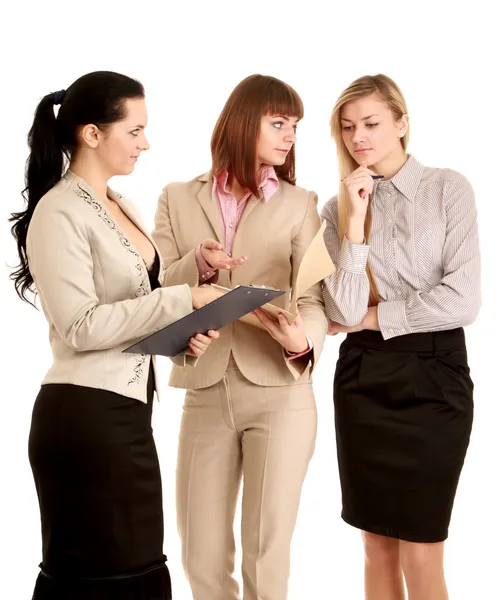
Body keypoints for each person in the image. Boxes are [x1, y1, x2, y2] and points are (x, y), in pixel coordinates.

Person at [9, 70, 220, 599]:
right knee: (102, 576)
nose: (145, 143)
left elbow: (133, 298)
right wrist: (181, 301)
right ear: (92, 134)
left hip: (124, 413)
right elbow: (81, 326)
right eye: (135, 130)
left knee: (137, 568)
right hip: (83, 420)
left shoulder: (119, 203)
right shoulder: (58, 211)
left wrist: (191, 281)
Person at [151, 74, 328, 600]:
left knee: (265, 555)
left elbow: (314, 298)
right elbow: (156, 285)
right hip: (204, 387)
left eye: (294, 126)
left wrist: (301, 340)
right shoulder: (177, 197)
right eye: (278, 123)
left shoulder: (301, 203)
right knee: (200, 556)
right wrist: (198, 266)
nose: (288, 135)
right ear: (244, 122)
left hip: (280, 390)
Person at [322, 73, 481, 600]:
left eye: (371, 123)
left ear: (402, 123)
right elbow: (340, 308)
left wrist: (375, 318)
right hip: (363, 379)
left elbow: (463, 300)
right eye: (348, 127)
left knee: (421, 548)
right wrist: (355, 222)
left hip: (436, 377)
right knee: (377, 548)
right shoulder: (337, 207)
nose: (358, 137)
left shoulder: (447, 188)